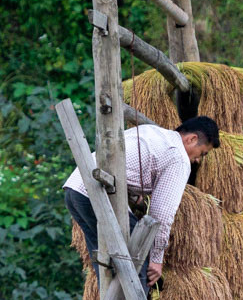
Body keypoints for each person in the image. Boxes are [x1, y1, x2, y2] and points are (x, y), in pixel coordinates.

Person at [64, 116, 219, 288]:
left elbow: (120, 163)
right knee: (140, 262)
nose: (197, 160)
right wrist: (156, 259)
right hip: (97, 195)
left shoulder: (151, 132)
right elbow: (161, 214)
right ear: (192, 139)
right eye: (202, 153)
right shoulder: (178, 157)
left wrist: (134, 196)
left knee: (106, 264)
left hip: (76, 189)